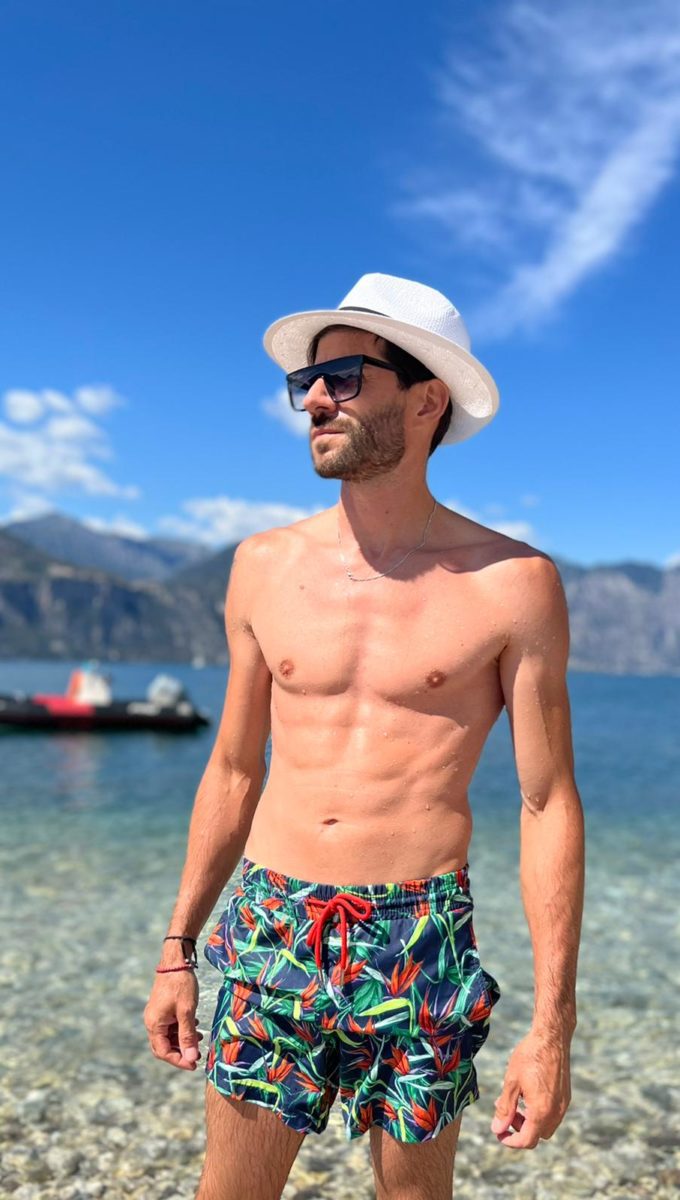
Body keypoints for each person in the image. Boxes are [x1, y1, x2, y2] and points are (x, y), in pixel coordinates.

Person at [144, 273, 585, 1200]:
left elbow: (546, 803)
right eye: (305, 381)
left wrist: (552, 1032)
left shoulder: (512, 583)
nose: (313, 399)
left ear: (427, 400)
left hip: (419, 930)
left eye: (343, 377)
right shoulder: (263, 566)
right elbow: (233, 770)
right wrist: (177, 948)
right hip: (274, 922)